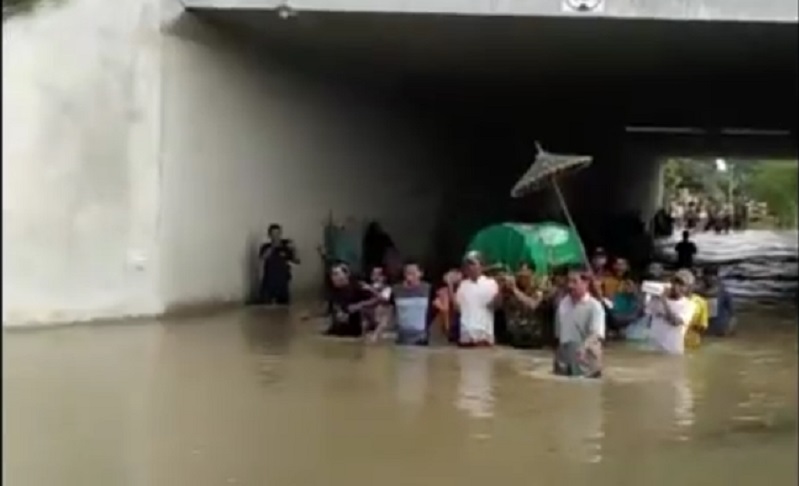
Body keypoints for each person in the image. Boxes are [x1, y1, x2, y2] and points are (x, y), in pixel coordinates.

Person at [553, 267, 605, 379]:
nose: (570, 285)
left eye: (574, 282)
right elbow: (558, 335)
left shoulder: (594, 306)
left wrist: (583, 348)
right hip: (564, 357)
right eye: (569, 281)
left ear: (586, 283)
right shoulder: (563, 303)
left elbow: (596, 334)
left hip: (586, 358)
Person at [455, 251, 500, 347]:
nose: (470, 267)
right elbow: (457, 308)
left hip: (484, 338)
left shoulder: (491, 283)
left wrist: (502, 291)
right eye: (468, 264)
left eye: (473, 264)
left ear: (481, 266)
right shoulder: (462, 285)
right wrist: (450, 285)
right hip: (465, 338)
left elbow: (495, 305)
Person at [647, 269, 697, 355]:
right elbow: (646, 313)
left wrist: (664, 301)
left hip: (673, 353)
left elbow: (675, 322)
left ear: (688, 288)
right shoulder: (658, 299)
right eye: (675, 282)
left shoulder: (689, 305)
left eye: (681, 284)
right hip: (653, 350)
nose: (676, 286)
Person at [382, 261, 432, 346]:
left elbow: (437, 309)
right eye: (407, 272)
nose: (410, 274)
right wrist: (377, 333)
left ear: (421, 273)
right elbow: (388, 313)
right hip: (402, 337)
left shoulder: (428, 289)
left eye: (413, 271)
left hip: (421, 338)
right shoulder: (396, 290)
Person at [501, 264, 546, 349]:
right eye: (521, 274)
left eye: (526, 274)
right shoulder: (510, 290)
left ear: (532, 274)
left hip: (534, 338)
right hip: (515, 340)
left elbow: (533, 305)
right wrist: (502, 287)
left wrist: (515, 289)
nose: (523, 277)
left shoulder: (538, 289)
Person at [325, 264, 375, 337]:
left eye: (336, 274)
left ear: (346, 274)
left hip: (355, 331)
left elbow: (379, 300)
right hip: (337, 331)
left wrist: (360, 305)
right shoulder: (333, 291)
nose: (333, 278)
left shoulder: (358, 287)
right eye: (332, 275)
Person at [258, 224, 299, 305]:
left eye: (277, 234)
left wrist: (294, 249)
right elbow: (263, 258)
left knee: (284, 308)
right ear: (269, 235)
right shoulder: (265, 247)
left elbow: (296, 261)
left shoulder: (285, 247)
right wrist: (273, 247)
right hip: (269, 282)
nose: (276, 236)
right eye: (273, 234)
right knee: (266, 308)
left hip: (282, 282)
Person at [702, 268, 736, 336]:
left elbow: (733, 315)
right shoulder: (698, 294)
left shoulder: (724, 294)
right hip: (705, 330)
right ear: (704, 278)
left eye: (712, 276)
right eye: (708, 276)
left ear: (717, 277)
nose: (710, 279)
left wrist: (729, 330)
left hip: (720, 331)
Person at [360, 267, 393, 335]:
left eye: (378, 274)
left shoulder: (387, 288)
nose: (375, 276)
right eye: (373, 273)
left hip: (381, 319)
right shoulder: (366, 287)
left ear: (383, 277)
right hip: (368, 317)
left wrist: (371, 289)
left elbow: (384, 299)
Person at [432, 269, 462, 344]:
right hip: (443, 328)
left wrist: (450, 285)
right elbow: (440, 307)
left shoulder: (464, 290)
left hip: (459, 327)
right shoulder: (442, 291)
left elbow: (456, 306)